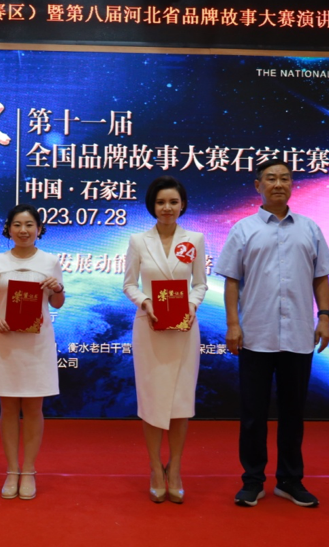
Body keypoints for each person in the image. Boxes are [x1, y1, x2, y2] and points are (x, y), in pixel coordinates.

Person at [215, 158, 329, 508]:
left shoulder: (310, 229)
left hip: (298, 335)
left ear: (292, 184)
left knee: (293, 414)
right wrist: (233, 325)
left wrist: (325, 317)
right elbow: (232, 282)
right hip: (256, 334)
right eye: (271, 178)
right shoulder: (243, 230)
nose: (278, 184)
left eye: (285, 178)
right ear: (258, 185)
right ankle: (253, 481)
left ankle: (289, 481)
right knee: (253, 414)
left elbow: (321, 277)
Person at [123, 176, 208, 503]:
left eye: (173, 202)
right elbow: (129, 284)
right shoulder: (138, 241)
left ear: (182, 205)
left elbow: (200, 284)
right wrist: (145, 302)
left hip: (184, 328)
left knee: (180, 402)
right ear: (152, 206)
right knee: (152, 400)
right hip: (150, 327)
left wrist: (190, 305)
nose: (167, 208)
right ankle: (155, 468)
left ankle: (175, 469)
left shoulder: (195, 239)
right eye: (161, 203)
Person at [0, 204, 65, 500]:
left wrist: (57, 289)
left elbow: (57, 303)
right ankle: (11, 470)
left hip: (37, 345)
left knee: (33, 409)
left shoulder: (50, 261)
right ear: (8, 229)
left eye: (29, 225)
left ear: (39, 229)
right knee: (7, 408)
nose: (24, 230)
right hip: (7, 343)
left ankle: (28, 470)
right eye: (17, 225)